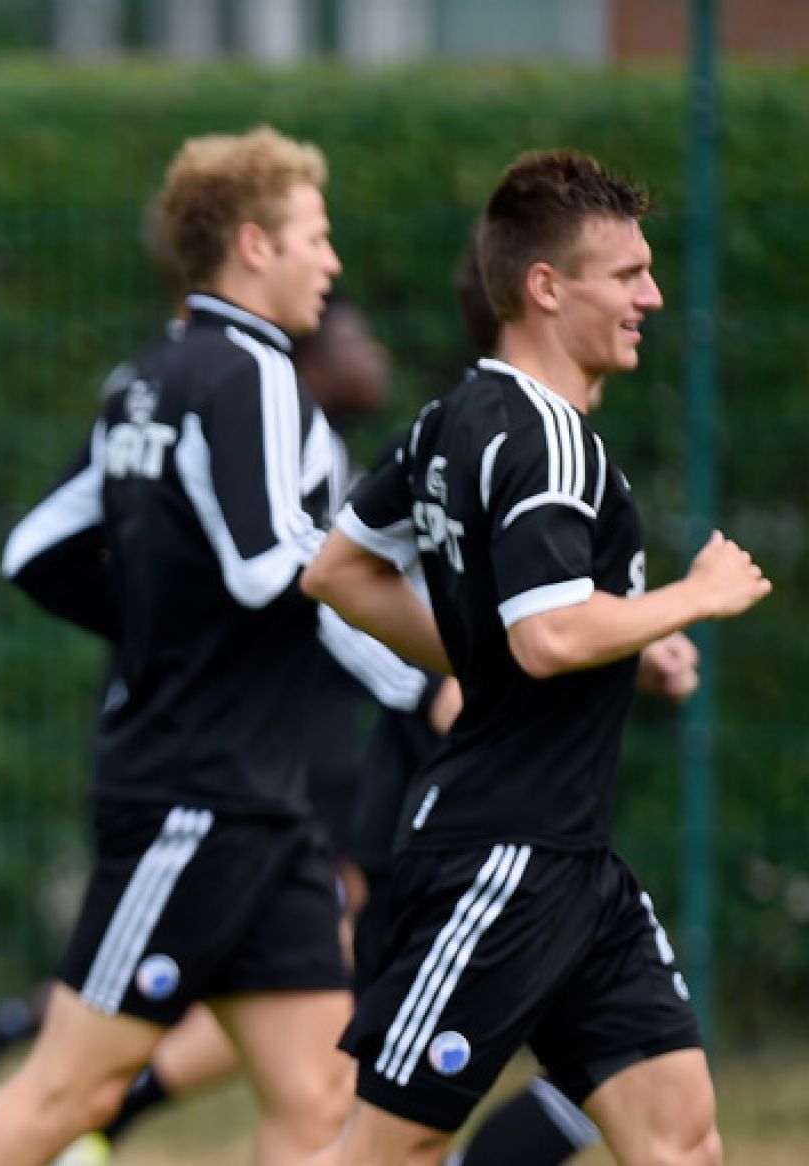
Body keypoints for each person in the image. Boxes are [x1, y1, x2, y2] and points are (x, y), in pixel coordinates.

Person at [0, 126, 429, 1166]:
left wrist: (159, 623)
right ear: (254, 244)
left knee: (318, 1088)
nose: (330, 263)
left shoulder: (151, 373)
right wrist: (434, 663)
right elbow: (276, 565)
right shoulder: (251, 372)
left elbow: (37, 546)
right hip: (196, 797)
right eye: (316, 237)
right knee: (70, 1089)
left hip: (262, 800)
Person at [302, 148, 751, 1166]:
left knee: (678, 1133)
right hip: (500, 855)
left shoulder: (454, 417)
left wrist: (612, 651)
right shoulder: (547, 437)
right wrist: (694, 593)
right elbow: (543, 633)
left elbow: (341, 571)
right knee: (386, 1149)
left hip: (572, 862)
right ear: (546, 286)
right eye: (627, 274)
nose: (654, 294)